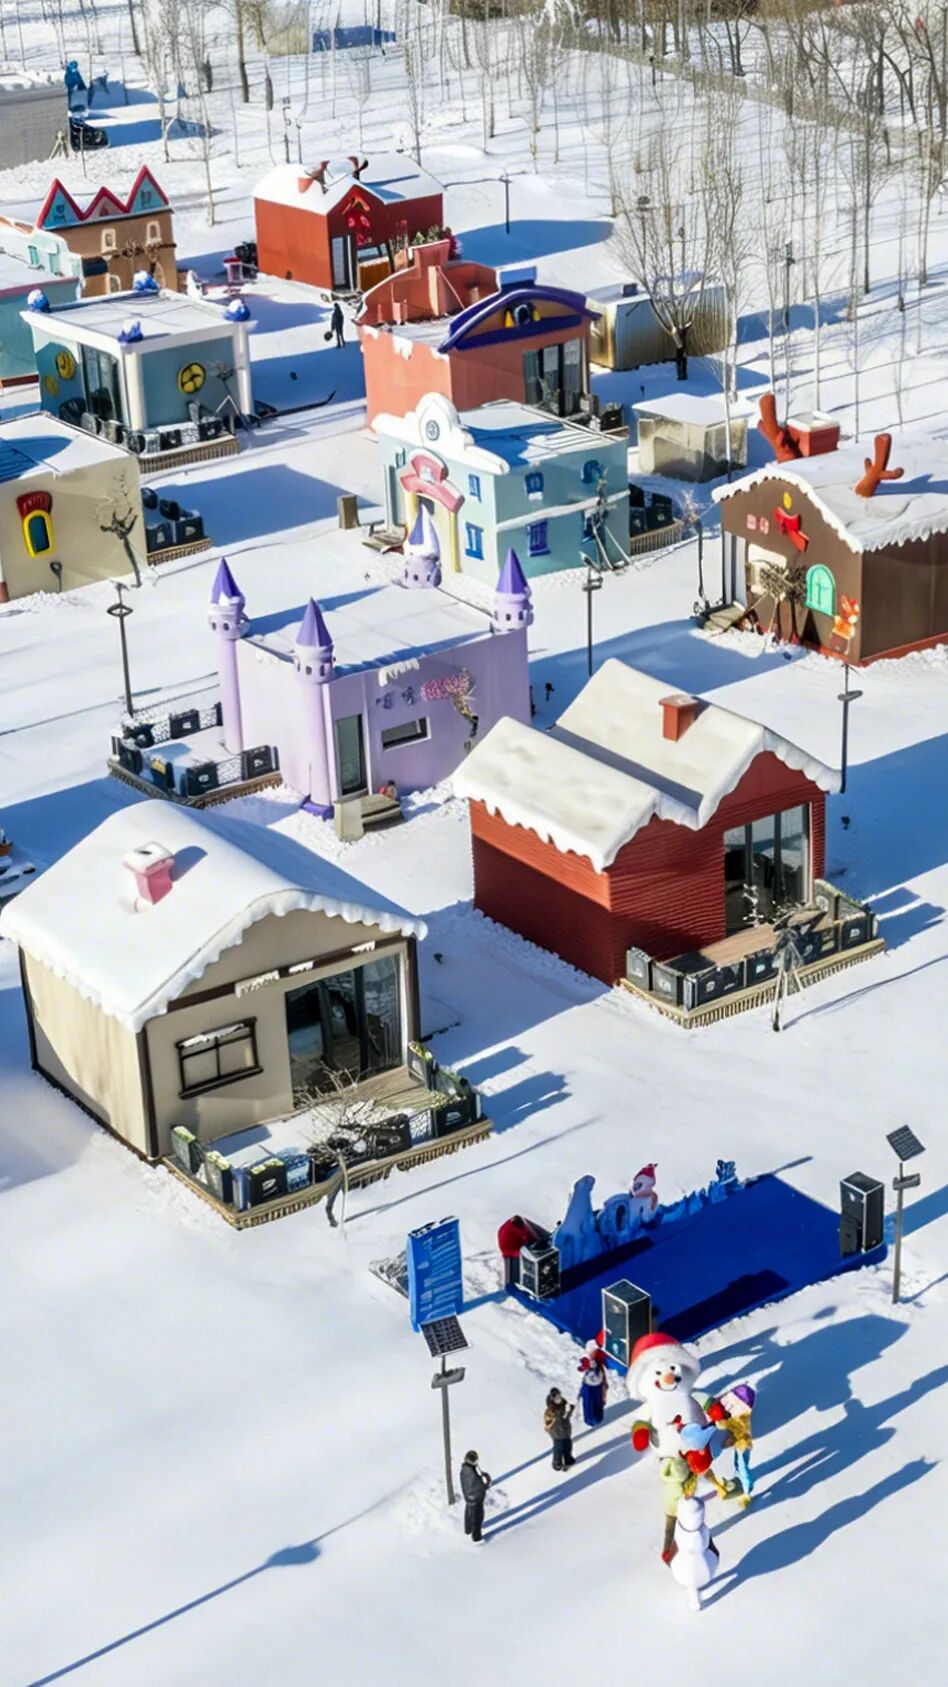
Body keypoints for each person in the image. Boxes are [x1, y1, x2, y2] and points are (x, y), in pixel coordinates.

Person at [460, 1450, 491, 1542]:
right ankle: (477, 1538)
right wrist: (487, 1482)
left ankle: (468, 1529)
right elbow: (479, 1486)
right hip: (476, 1498)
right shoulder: (470, 1471)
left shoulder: (464, 1468)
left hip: (468, 1496)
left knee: (469, 1514)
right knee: (478, 1518)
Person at [577, 1338, 608, 1428]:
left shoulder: (598, 1359)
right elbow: (581, 1368)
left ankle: (595, 1418)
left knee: (594, 1402)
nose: (593, 1353)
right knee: (590, 1404)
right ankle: (591, 1419)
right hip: (590, 1386)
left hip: (595, 1386)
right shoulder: (588, 1360)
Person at [544, 1388, 575, 1471]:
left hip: (565, 1430)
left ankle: (568, 1459)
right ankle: (557, 1462)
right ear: (552, 1398)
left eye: (559, 1397)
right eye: (556, 1398)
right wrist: (555, 1418)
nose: (559, 1399)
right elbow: (548, 1423)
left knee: (568, 1445)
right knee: (558, 1448)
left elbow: (566, 1417)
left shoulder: (564, 1405)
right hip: (557, 1433)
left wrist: (570, 1411)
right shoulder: (550, 1411)